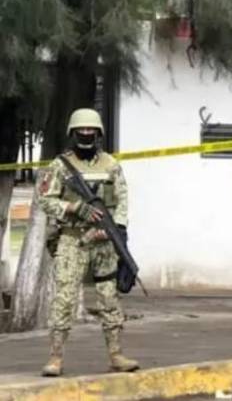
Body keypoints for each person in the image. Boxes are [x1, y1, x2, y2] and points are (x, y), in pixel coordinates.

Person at [37, 108, 139, 376]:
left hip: (104, 242)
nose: (85, 134)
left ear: (98, 133)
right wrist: (74, 208)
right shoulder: (60, 166)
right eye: (81, 130)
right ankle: (55, 357)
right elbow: (45, 200)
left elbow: (122, 200)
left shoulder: (111, 164)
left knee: (109, 298)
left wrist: (116, 229)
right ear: (72, 133)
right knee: (64, 298)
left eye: (90, 130)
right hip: (73, 239)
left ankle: (116, 354)